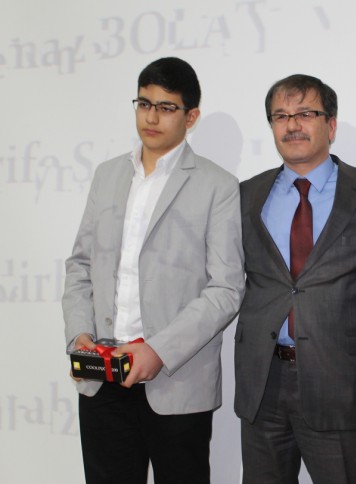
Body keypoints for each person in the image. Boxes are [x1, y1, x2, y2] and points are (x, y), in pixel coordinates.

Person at [62, 57, 245, 484]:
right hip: (101, 378)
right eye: (144, 103)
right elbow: (80, 266)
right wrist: (79, 335)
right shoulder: (107, 175)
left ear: (191, 117)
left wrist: (158, 350)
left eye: (166, 107)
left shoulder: (217, 185)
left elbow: (226, 288)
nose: (151, 117)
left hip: (177, 383)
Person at [234, 74, 356, 484]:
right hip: (263, 383)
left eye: (305, 113)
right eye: (280, 116)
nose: (292, 125)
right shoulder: (246, 195)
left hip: (343, 383)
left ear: (330, 125)